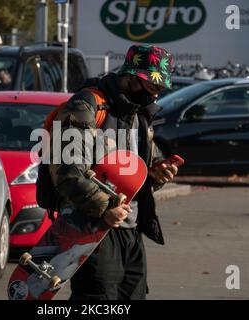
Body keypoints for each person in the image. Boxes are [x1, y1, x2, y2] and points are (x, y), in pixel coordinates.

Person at [47, 44, 179, 300]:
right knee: (97, 299)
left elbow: (138, 170)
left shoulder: (138, 112)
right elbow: (67, 170)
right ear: (131, 77)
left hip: (130, 228)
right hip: (93, 227)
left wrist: (156, 175)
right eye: (153, 87)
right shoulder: (87, 105)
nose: (156, 95)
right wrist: (106, 208)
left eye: (161, 89)